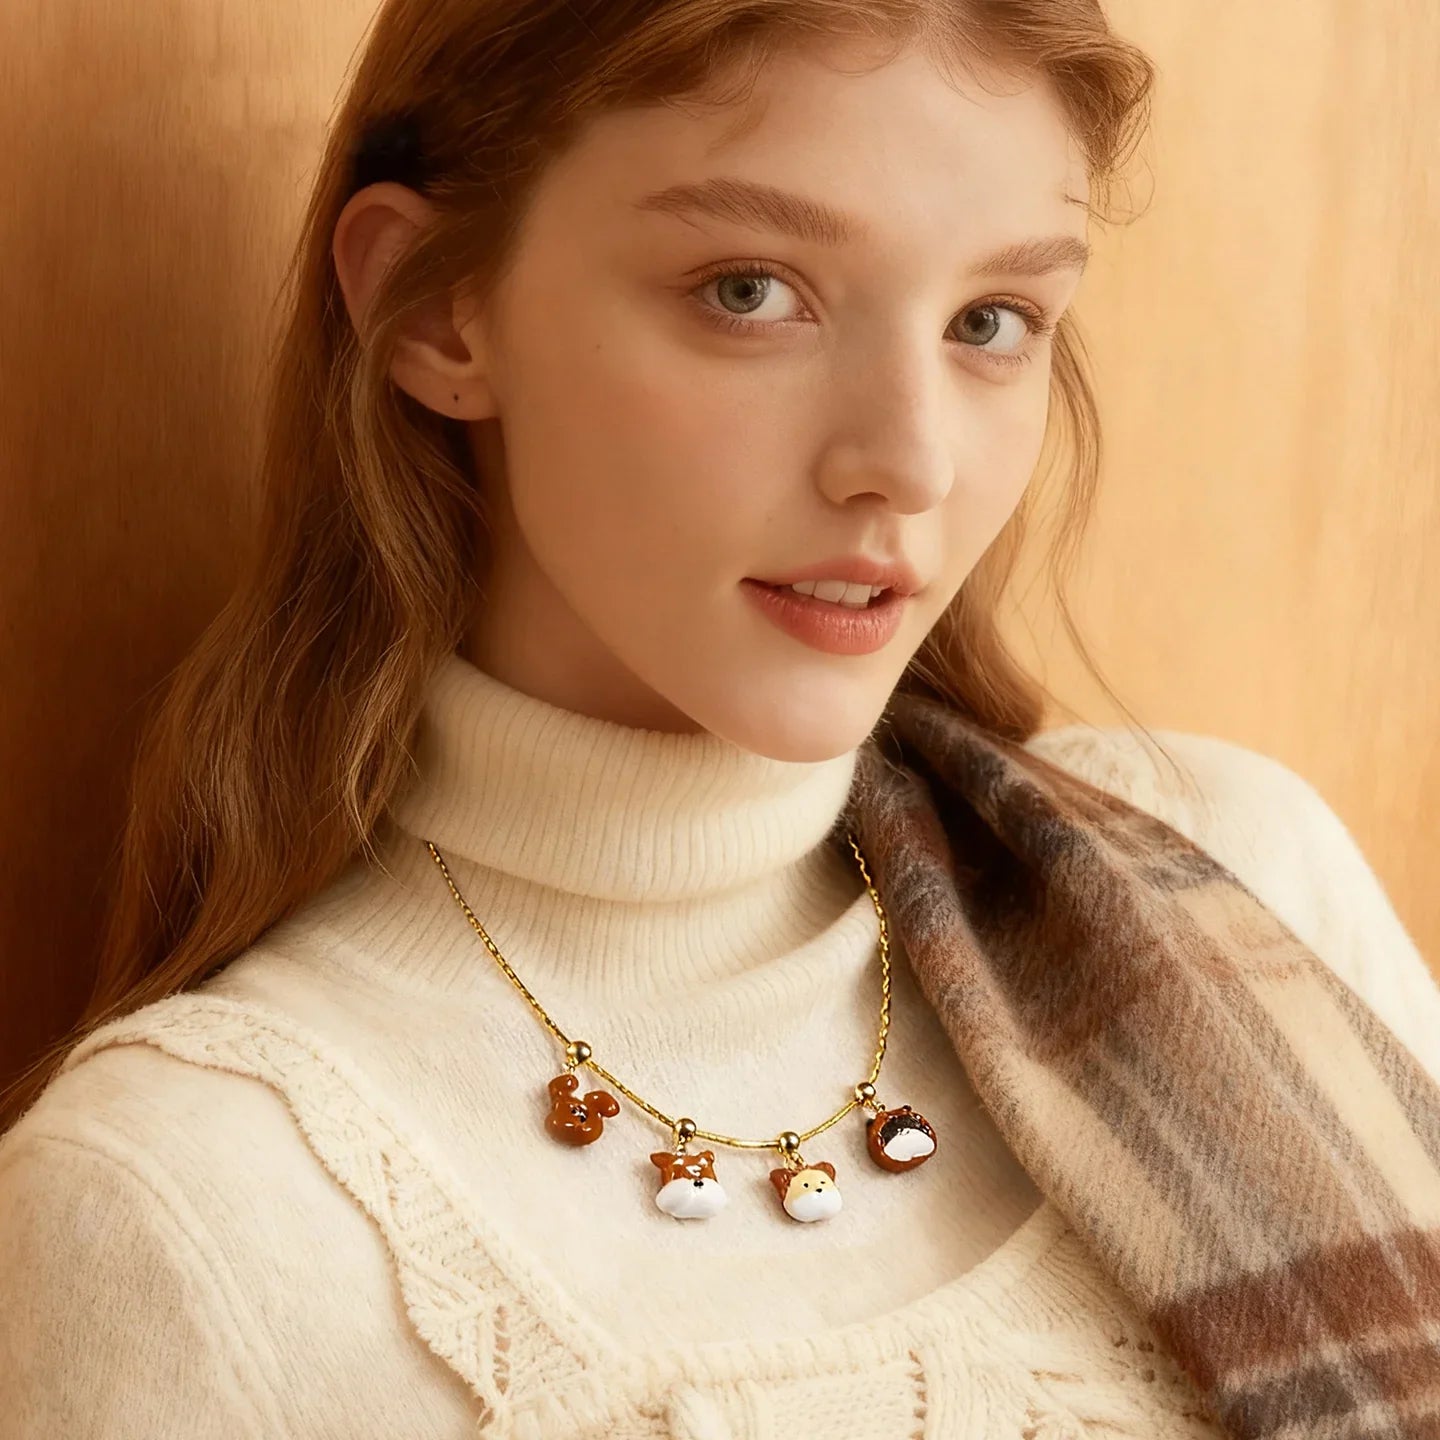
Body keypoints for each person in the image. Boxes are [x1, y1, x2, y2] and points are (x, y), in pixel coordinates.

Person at [2, 1, 1438, 1436]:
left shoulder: (1235, 873)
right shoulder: (190, 1210)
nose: (910, 462)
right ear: (434, 308)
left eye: (991, 323)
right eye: (750, 289)